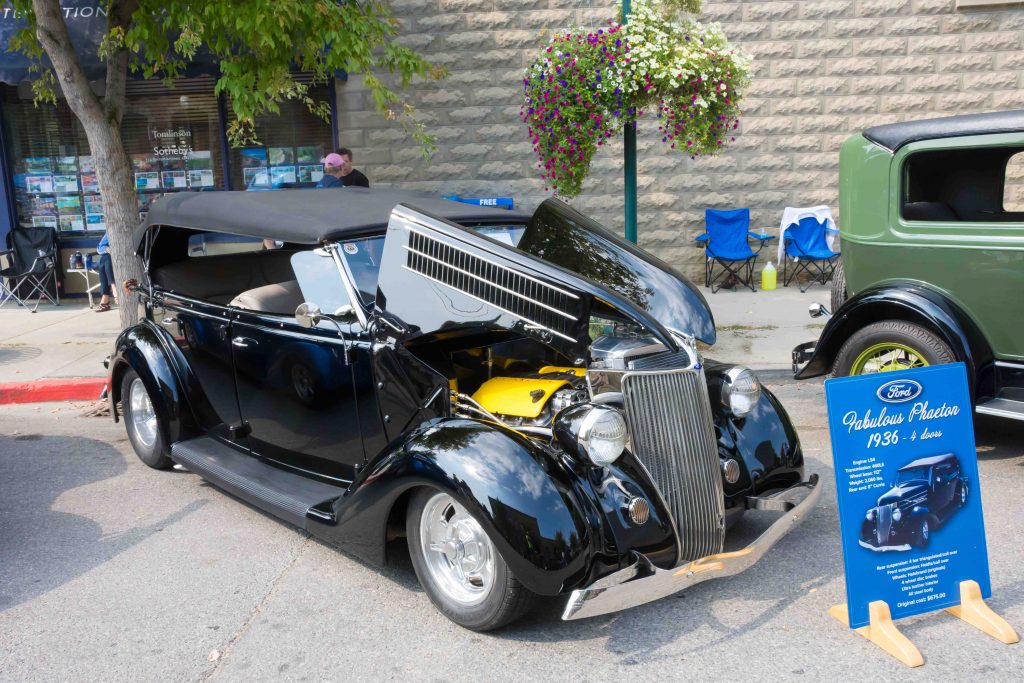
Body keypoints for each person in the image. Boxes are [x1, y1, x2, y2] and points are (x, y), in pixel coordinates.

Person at [94, 231, 115, 312]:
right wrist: (107, 249)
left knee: (105, 260)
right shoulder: (111, 231)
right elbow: (99, 248)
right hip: (113, 262)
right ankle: (114, 289)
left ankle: (106, 299)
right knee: (105, 258)